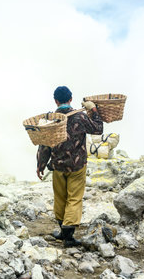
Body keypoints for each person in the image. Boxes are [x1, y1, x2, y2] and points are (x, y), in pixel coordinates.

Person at [36, 86, 103, 247]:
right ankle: (68, 236)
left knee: (60, 198)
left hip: (58, 166)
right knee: (74, 198)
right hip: (77, 166)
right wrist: (93, 109)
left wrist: (40, 164)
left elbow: (44, 145)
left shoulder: (52, 120)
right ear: (71, 99)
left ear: (56, 101)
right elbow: (98, 129)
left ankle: (62, 231)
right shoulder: (80, 117)